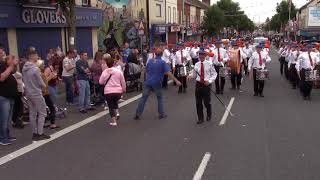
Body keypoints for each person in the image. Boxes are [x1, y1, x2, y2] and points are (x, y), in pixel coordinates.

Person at [134, 48, 181, 120]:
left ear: (155, 54)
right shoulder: (162, 62)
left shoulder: (150, 61)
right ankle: (161, 114)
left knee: (143, 98)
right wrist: (176, 80)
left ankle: (138, 113)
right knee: (160, 98)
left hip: (148, 82)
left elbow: (146, 71)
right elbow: (169, 73)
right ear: (162, 54)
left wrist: (146, 79)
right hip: (157, 82)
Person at [22, 50, 51, 141]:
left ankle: (34, 133)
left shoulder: (24, 68)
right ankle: (40, 133)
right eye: (36, 55)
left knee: (33, 113)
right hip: (36, 93)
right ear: (32, 56)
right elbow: (41, 82)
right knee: (42, 113)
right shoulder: (35, 69)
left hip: (28, 93)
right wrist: (44, 86)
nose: (38, 57)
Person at [187, 48, 217, 124]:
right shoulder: (196, 64)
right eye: (200, 54)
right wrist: (190, 76)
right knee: (198, 102)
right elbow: (194, 74)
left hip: (206, 84)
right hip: (198, 84)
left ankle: (209, 114)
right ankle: (200, 118)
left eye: (202, 54)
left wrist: (209, 81)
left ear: (205, 55)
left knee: (207, 102)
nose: (201, 56)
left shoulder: (209, 64)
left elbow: (214, 74)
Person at [99, 57, 126, 126]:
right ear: (114, 63)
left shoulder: (104, 72)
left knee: (110, 106)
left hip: (108, 92)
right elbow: (123, 81)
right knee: (115, 102)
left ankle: (114, 121)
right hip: (118, 92)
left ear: (107, 64)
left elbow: (100, 82)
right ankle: (117, 113)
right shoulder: (118, 71)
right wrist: (124, 89)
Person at [0, 55, 18, 145]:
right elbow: (2, 78)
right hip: (3, 97)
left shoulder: (4, 65)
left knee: (8, 119)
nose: (3, 55)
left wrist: (13, 65)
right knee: (4, 119)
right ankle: (3, 138)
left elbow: (14, 71)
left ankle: (6, 135)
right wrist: (11, 65)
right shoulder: (1, 65)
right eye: (1, 53)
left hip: (10, 96)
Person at [37, 60, 59, 129]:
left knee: (43, 108)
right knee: (51, 107)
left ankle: (44, 122)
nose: (44, 66)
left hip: (42, 93)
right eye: (43, 65)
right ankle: (52, 123)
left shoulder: (38, 73)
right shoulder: (41, 74)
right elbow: (44, 82)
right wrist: (51, 76)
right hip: (44, 93)